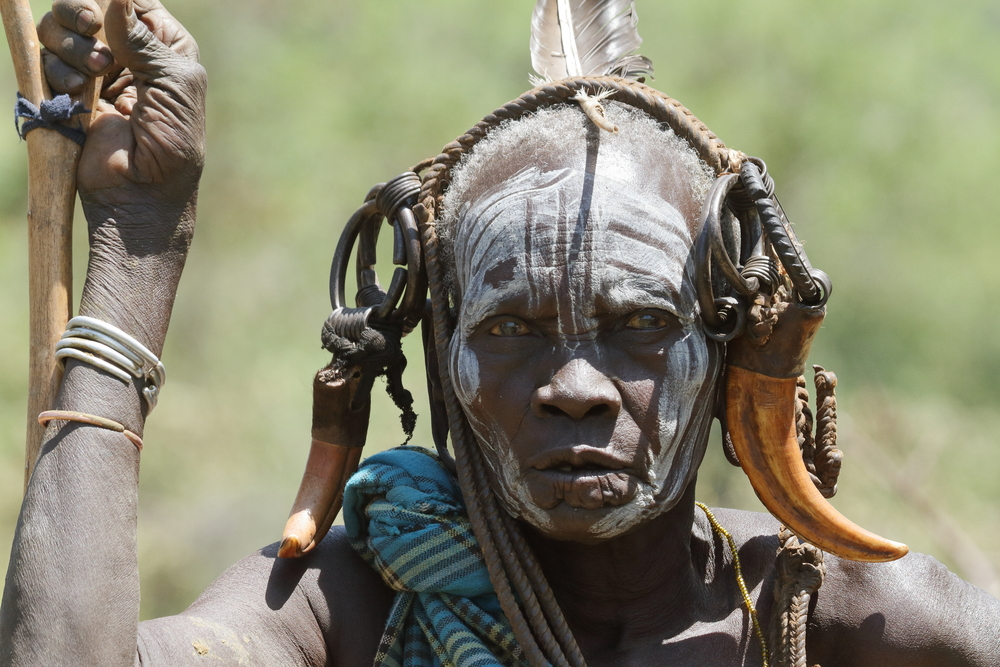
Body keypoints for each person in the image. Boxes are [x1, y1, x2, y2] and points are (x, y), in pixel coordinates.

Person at [1, 0, 998, 665]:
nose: (575, 384)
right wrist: (139, 250)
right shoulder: (343, 603)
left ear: (733, 349)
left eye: (641, 326)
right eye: (514, 325)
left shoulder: (826, 617)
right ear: (441, 349)